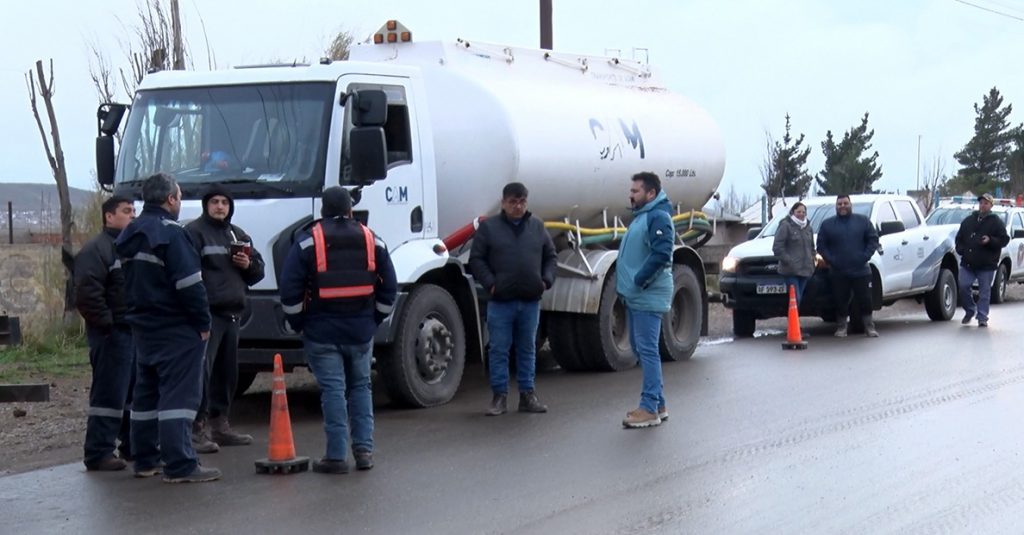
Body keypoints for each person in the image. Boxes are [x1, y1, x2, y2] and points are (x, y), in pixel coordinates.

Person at [279, 187, 397, 474]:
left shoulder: (309, 242)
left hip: (322, 331)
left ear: (322, 211)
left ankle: (336, 456)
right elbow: (389, 288)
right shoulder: (373, 240)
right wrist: (374, 320)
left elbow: (290, 289)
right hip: (360, 331)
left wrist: (298, 323)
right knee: (361, 387)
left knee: (333, 390)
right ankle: (364, 451)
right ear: (350, 210)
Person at [115, 173, 220, 483]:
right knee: (179, 397)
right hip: (177, 327)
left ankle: (145, 459)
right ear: (171, 199)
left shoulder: (130, 232)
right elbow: (190, 285)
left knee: (145, 396)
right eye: (179, 196)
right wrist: (203, 322)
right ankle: (181, 464)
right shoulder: (173, 234)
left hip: (143, 325)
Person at [185, 186, 265, 452]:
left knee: (226, 374)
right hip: (208, 314)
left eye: (224, 203)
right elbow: (187, 273)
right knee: (201, 374)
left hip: (234, 315)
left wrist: (248, 265)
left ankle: (221, 426)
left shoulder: (237, 234)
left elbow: (258, 272)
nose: (220, 207)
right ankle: (197, 429)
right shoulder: (194, 233)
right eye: (215, 202)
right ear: (206, 205)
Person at [469, 182, 557, 416]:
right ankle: (499, 396)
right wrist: (491, 284)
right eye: (512, 202)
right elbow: (476, 259)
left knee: (527, 348)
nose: (517, 206)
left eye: (522, 202)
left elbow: (551, 256)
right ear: (503, 203)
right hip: (500, 301)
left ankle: (528, 395)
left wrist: (546, 280)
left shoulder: (537, 227)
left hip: (530, 300)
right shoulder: (490, 229)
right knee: (499, 349)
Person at [75, 195, 136, 471]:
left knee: (131, 394)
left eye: (134, 210)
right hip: (111, 335)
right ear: (109, 217)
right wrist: (108, 325)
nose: (132, 215)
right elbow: (87, 293)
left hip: (133, 332)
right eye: (126, 211)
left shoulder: (130, 247)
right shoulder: (97, 249)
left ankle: (132, 445)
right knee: (109, 395)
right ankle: (98, 452)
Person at [617, 172, 674, 429]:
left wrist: (639, 280)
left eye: (636, 191)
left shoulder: (657, 216)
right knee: (641, 349)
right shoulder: (643, 216)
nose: (631, 194)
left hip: (647, 294)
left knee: (647, 350)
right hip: (638, 295)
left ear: (650, 194)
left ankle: (649, 407)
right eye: (631, 190)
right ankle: (659, 404)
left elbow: (662, 253)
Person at [816, 194, 880, 338]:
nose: (842, 206)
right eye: (839, 204)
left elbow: (873, 239)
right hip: (838, 271)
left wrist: (864, 256)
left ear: (851, 205)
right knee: (840, 301)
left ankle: (869, 327)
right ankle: (841, 327)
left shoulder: (863, 221)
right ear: (836, 206)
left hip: (861, 270)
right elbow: (821, 246)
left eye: (845, 203)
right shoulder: (827, 224)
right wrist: (832, 260)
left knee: (865, 300)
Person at [955, 193, 1009, 327]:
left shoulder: (995, 221)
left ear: (991, 205)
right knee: (963, 286)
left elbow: (1004, 239)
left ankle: (982, 316)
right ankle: (969, 310)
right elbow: (959, 238)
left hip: (987, 264)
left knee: (984, 291)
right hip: (968, 262)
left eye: (986, 203)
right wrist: (962, 250)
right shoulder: (969, 220)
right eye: (981, 203)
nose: (983, 205)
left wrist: (990, 240)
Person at [772, 202, 815, 303]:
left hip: (805, 270)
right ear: (793, 212)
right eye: (798, 211)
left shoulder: (808, 228)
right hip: (790, 271)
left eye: (803, 212)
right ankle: (793, 318)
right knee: (795, 298)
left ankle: (794, 318)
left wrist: (812, 259)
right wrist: (789, 261)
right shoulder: (785, 226)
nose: (801, 214)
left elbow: (812, 247)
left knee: (798, 299)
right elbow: (777, 247)